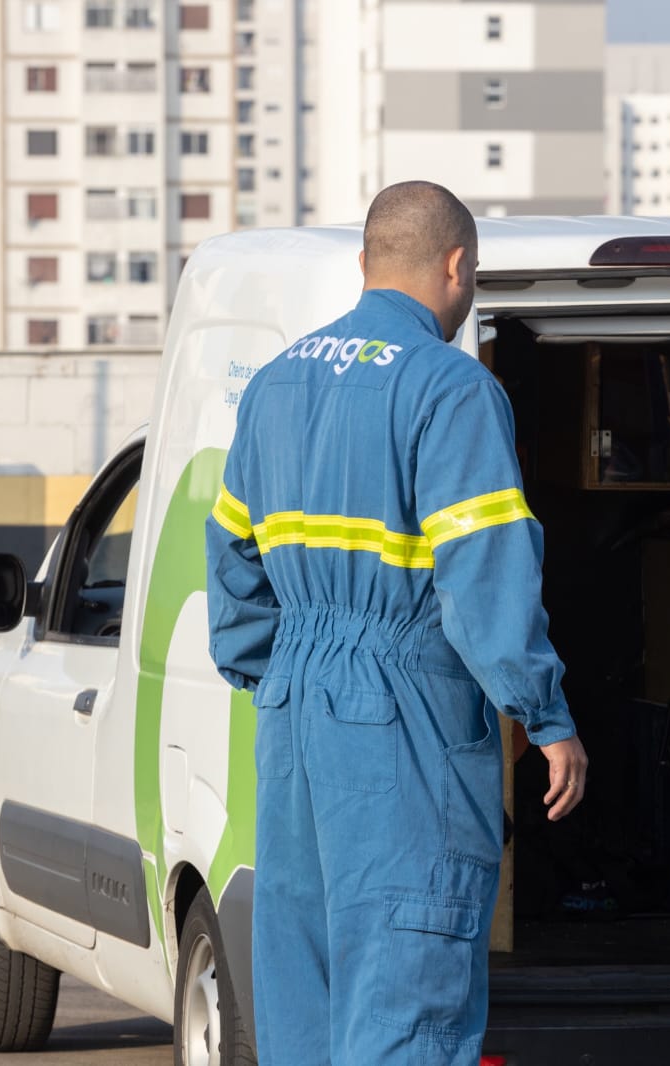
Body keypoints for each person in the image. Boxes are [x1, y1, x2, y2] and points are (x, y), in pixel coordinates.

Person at [204, 180, 588, 1065]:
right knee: (407, 988)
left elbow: (230, 557)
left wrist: (277, 670)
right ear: (457, 267)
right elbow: (483, 578)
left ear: (368, 262)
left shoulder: (274, 383)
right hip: (404, 712)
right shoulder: (450, 388)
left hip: (297, 710)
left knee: (306, 989)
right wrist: (546, 715)